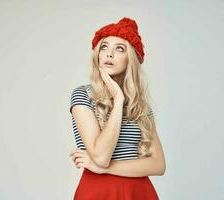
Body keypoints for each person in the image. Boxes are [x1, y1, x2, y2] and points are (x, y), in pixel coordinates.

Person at [68, 17, 166, 200]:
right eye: (104, 47)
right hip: (98, 192)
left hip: (139, 193)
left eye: (119, 48)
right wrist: (118, 100)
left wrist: (105, 168)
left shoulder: (140, 106)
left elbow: (158, 165)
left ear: (131, 59)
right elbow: (101, 156)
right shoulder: (83, 95)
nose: (109, 54)